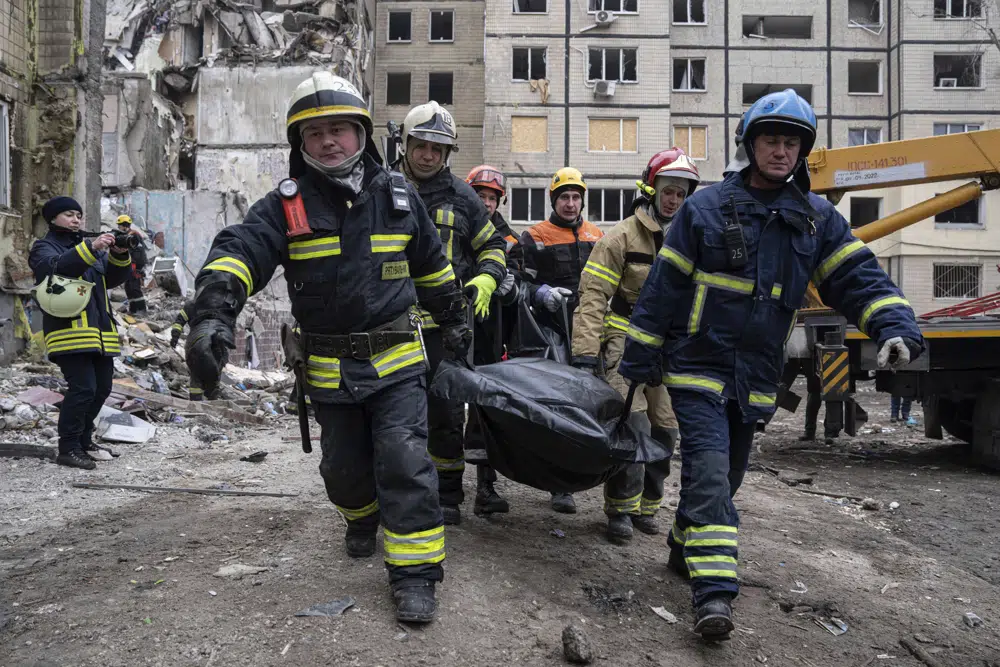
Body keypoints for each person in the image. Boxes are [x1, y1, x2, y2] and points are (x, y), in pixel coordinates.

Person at [617, 89, 925, 639]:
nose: (780, 151)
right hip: (697, 367)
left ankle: (682, 546)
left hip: (756, 378)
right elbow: (663, 288)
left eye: (790, 142)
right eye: (770, 140)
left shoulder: (815, 219)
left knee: (727, 478)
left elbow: (858, 278)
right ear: (750, 145)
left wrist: (895, 326)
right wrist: (640, 357)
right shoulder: (705, 208)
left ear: (802, 150)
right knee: (710, 471)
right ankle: (714, 596)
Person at [183, 73, 471, 623]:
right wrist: (214, 314)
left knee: (407, 461)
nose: (329, 142)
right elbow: (238, 252)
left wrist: (453, 319)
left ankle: (415, 576)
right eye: (315, 134)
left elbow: (433, 269)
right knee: (342, 470)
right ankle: (361, 519)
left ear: (361, 134)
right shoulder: (284, 208)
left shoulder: (400, 199)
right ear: (300, 144)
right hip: (330, 367)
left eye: (339, 129)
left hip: (398, 361)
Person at [571, 149, 699, 544]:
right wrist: (585, 351)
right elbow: (593, 296)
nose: (674, 199)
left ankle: (648, 506)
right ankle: (620, 511)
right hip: (624, 340)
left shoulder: (695, 237)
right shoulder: (621, 236)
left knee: (666, 429)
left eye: (681, 192)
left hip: (670, 347)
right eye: (668, 190)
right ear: (651, 187)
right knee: (633, 423)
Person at [396, 102, 508, 526]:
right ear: (405, 144)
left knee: (445, 414)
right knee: (396, 414)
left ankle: (447, 495)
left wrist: (487, 278)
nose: (428, 155)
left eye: (437, 149)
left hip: (446, 328)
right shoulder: (380, 188)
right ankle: (399, 491)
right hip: (390, 326)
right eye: (421, 145)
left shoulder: (463, 197)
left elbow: (493, 246)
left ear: (447, 154)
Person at [519, 167, 604, 515]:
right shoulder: (535, 236)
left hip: (590, 331)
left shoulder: (598, 235)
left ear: (583, 200)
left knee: (589, 406)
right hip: (551, 333)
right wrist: (540, 293)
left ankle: (580, 476)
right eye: (564, 197)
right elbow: (514, 279)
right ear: (553, 200)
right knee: (557, 409)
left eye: (575, 197)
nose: (570, 204)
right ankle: (559, 486)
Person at [29, 197, 134, 469]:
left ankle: (85, 442)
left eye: (78, 214)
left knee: (102, 389)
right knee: (83, 388)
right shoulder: (44, 247)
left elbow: (111, 279)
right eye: (68, 214)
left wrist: (119, 255)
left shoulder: (87, 247)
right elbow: (56, 269)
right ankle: (68, 448)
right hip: (69, 332)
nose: (76, 219)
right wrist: (91, 246)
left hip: (100, 331)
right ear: (52, 219)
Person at [462, 165, 522, 517]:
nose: (485, 203)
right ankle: (444, 487)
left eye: (491, 198)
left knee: (487, 407)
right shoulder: (456, 229)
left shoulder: (511, 240)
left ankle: (485, 488)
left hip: (490, 333)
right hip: (454, 328)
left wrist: (513, 289)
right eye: (479, 196)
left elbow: (525, 283)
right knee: (444, 407)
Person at [169, 299, 208, 401]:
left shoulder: (192, 304)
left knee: (196, 374)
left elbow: (179, 321)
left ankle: (196, 401)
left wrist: (175, 336)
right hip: (210, 343)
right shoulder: (218, 303)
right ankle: (208, 399)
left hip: (194, 342)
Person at [117, 215, 149, 314]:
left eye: (120, 225)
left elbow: (138, 252)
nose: (118, 227)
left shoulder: (134, 235)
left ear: (124, 225)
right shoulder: (126, 235)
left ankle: (141, 309)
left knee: (135, 287)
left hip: (135, 265)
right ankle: (133, 309)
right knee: (128, 287)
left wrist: (136, 265)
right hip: (129, 264)